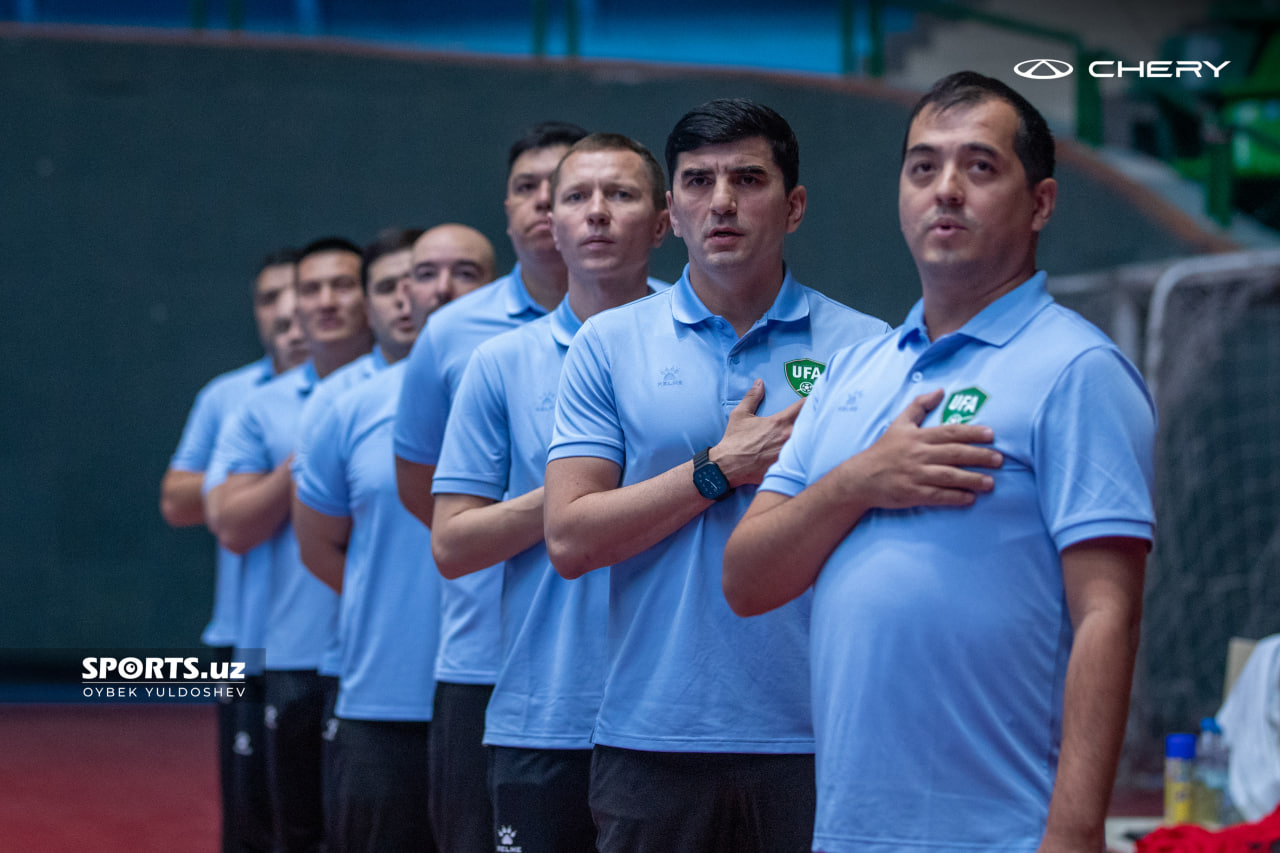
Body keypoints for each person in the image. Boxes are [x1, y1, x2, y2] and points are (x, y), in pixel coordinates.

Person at [723, 71, 1156, 853]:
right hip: (850, 833)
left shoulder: (1077, 369)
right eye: (923, 167)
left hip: (1006, 835)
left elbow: (1108, 614)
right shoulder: (855, 373)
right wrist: (861, 480)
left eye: (979, 167)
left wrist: (1075, 832)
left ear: (1042, 204)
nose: (945, 189)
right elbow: (748, 580)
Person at [542, 99, 889, 853]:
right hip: (653, 737)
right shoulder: (606, 345)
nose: (721, 201)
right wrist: (716, 470)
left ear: (793, 206)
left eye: (748, 179)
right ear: (672, 209)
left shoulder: (870, 348)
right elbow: (569, 537)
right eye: (698, 181)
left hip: (821, 739)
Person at [431, 133, 670, 851]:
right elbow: (451, 543)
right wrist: (577, 500)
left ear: (664, 223)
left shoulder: (709, 345)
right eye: (576, 199)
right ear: (551, 223)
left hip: (672, 718)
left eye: (621, 196)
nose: (596, 214)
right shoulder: (499, 362)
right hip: (547, 713)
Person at [394, 120, 588, 853]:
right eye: (525, 188)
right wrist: (506, 543)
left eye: (561, 186)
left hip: (622, 655)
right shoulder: (451, 332)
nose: (544, 202)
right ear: (505, 210)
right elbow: (423, 488)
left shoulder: (661, 314)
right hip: (485, 653)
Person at [291, 223, 496, 853]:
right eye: (421, 278)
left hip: (499, 692)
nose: (439, 292)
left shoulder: (527, 379)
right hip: (385, 698)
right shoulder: (342, 404)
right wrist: (389, 613)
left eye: (465, 275)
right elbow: (319, 544)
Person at [206, 236, 372, 853]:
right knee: (283, 831)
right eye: (309, 290)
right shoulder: (258, 406)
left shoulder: (405, 390)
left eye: (343, 285)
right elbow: (229, 521)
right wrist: (305, 459)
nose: (325, 302)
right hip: (289, 655)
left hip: (382, 656)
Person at [160, 247, 300, 853]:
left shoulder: (365, 388)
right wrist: (256, 478)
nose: (287, 311)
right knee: (250, 821)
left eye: (298, 293)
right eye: (269, 299)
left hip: (337, 646)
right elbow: (179, 500)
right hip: (244, 642)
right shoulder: (230, 396)